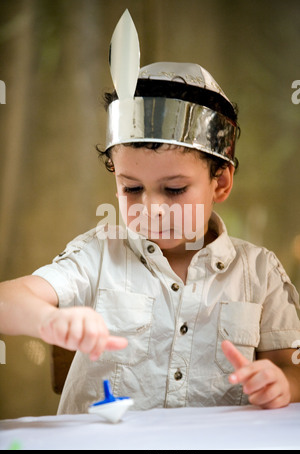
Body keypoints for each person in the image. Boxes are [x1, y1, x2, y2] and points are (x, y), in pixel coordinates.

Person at [0, 12, 300, 414]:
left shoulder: (259, 272)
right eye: (131, 188)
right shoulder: (98, 254)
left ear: (221, 183)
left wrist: (282, 382)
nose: (150, 208)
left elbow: (290, 366)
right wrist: (44, 320)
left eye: (174, 189)